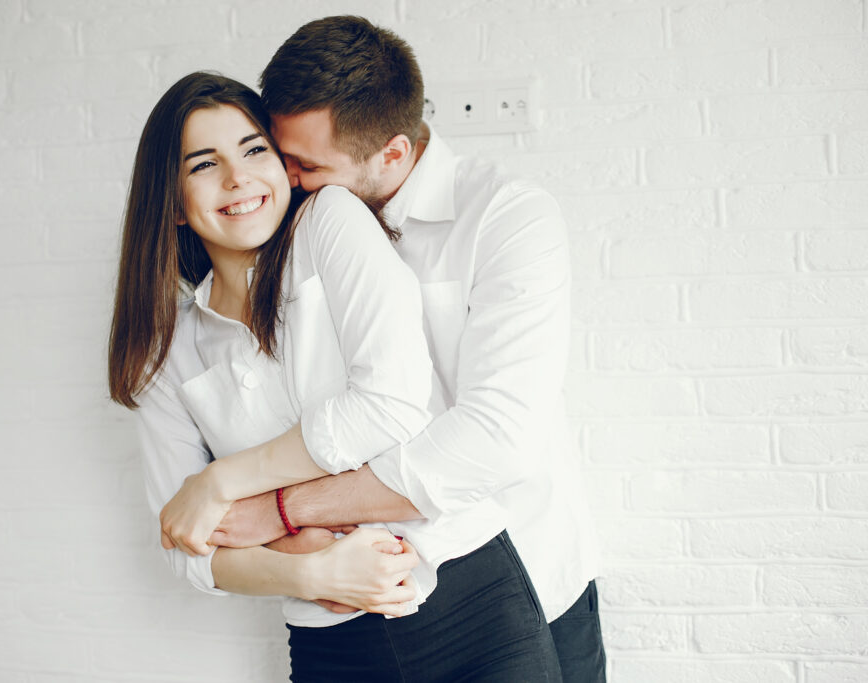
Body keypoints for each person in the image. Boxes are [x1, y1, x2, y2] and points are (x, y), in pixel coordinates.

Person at [108, 71, 564, 681]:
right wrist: (308, 573)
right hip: (330, 640)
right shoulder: (166, 354)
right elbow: (187, 546)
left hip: (471, 600)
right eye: (204, 164)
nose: (238, 177)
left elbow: (390, 405)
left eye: (253, 150)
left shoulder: (329, 221)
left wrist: (224, 483)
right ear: (172, 203)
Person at [210, 15, 607, 682]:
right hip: (366, 608)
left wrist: (282, 508)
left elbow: (494, 439)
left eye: (308, 165)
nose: (285, 179)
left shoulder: (506, 218)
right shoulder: (288, 232)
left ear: (392, 154)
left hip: (528, 585)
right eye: (282, 155)